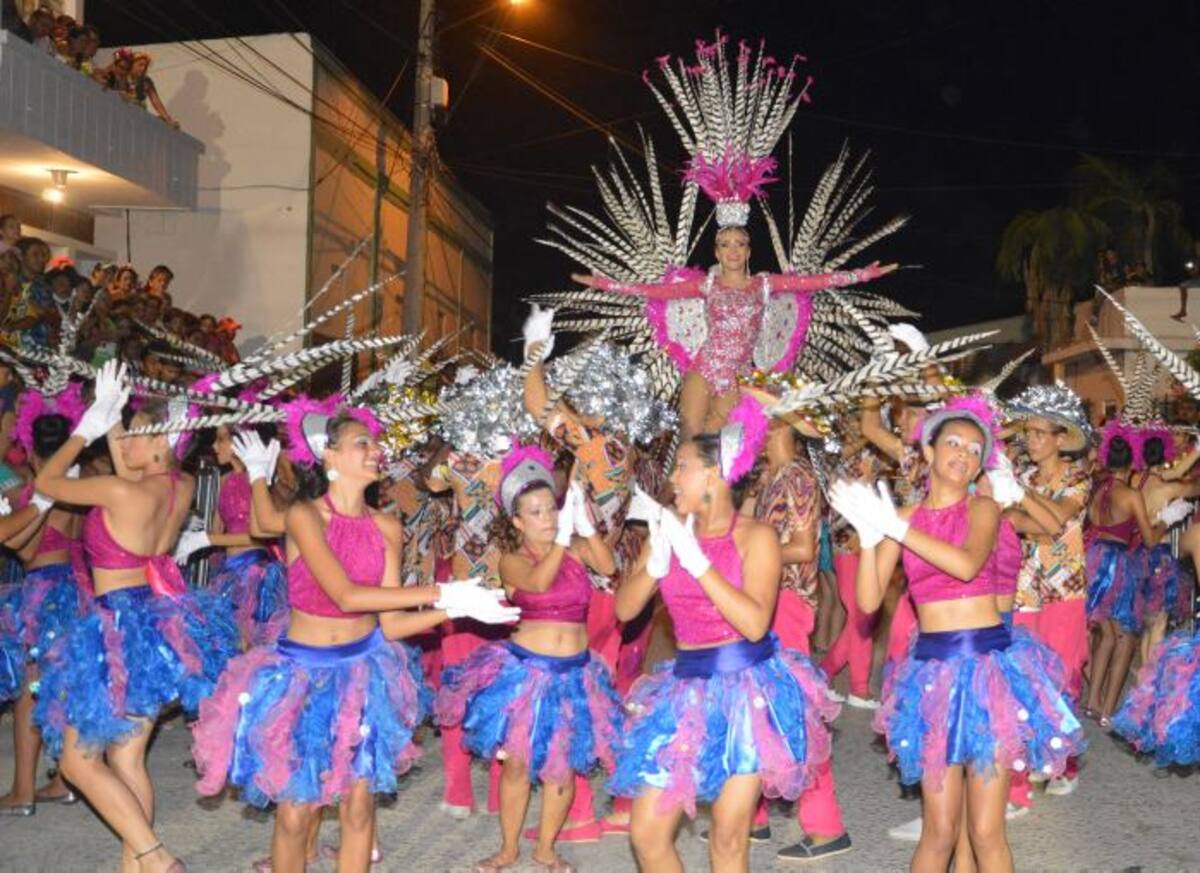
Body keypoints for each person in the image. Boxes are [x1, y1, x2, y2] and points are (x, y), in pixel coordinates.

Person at [191, 400, 517, 872]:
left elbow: (392, 622)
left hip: (365, 672)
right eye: (362, 443)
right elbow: (344, 595)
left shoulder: (387, 526)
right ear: (330, 455)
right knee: (296, 815)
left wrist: (454, 607)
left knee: (359, 809)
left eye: (375, 444)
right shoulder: (304, 516)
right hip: (303, 674)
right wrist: (441, 591)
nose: (375, 451)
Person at [831, 395, 1085, 873]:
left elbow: (967, 565)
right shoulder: (904, 519)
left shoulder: (982, 510)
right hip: (932, 673)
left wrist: (895, 528)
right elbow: (867, 601)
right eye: (953, 443)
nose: (964, 454)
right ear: (928, 451)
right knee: (939, 831)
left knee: (986, 831)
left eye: (973, 449)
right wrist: (870, 540)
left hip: (987, 668)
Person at [609, 403, 838, 873]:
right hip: (684, 687)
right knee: (646, 834)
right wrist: (655, 565)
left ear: (714, 474)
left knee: (730, 837)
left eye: (682, 467)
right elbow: (625, 610)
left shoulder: (757, 537)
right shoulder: (667, 532)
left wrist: (698, 565)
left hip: (747, 692)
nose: (673, 479)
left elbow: (754, 624)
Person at [32, 362, 238, 873]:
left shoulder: (118, 491)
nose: (123, 445)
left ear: (163, 442)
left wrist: (86, 429)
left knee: (78, 762)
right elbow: (134, 476)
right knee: (127, 760)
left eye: (136, 436)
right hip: (156, 624)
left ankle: (157, 857)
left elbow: (46, 480)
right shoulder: (178, 486)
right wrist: (116, 421)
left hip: (114, 632)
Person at [436, 446, 622, 873]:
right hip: (528, 673)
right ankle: (507, 850)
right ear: (517, 521)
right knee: (517, 766)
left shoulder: (573, 548)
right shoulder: (513, 560)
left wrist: (584, 526)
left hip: (574, 672)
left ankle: (546, 851)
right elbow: (537, 584)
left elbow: (608, 565)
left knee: (562, 767)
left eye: (551, 508)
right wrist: (562, 541)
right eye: (536, 512)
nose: (548, 518)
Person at [572, 238, 896, 439]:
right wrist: (604, 284)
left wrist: (863, 274)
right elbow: (651, 291)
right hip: (702, 370)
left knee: (713, 443)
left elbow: (813, 282)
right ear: (716, 251)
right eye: (725, 245)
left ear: (749, 250)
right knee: (688, 440)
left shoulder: (764, 285)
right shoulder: (706, 285)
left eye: (740, 244)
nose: (733, 251)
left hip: (735, 378)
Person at [741, 412, 852, 862]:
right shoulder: (772, 477)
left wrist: (746, 554)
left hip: (787, 603)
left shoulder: (798, 478)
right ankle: (753, 816)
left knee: (794, 713)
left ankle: (826, 826)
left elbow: (804, 548)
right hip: (768, 598)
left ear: (778, 425)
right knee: (757, 707)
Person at [1003, 384, 1094, 800]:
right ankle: (1024, 771)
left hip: (1064, 590)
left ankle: (1064, 763)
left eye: (1041, 433)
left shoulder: (1078, 477)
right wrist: (1030, 515)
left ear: (1061, 438)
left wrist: (1024, 500)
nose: (1032, 439)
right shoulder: (1021, 474)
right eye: (1029, 432)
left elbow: (1055, 521)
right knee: (1025, 677)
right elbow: (1016, 522)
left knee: (1064, 677)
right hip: (1024, 588)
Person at [0, 392, 87, 816]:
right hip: (75, 589)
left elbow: (28, 548)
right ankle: (64, 781)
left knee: (29, 692)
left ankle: (22, 791)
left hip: (43, 595)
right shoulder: (77, 488)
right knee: (62, 686)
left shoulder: (38, 491)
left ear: (33, 454)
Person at [175, 424, 289, 648]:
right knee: (222, 639)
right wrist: (186, 528)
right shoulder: (225, 479)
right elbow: (217, 530)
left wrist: (206, 540)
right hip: (226, 570)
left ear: (240, 441)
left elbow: (261, 537)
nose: (214, 446)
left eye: (221, 439)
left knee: (249, 640)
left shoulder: (260, 480)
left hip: (253, 571)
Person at [1083, 421, 1161, 726]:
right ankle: (1108, 711)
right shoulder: (1130, 494)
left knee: (1105, 635)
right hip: (1118, 564)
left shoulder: (1098, 490)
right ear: (1132, 462)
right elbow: (1150, 539)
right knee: (1126, 636)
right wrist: (1165, 521)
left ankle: (1092, 702)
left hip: (1094, 559)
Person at [125, 54, 180, 128]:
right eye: (140, 65)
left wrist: (168, 118)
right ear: (131, 65)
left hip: (139, 113)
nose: (143, 68)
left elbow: (155, 100)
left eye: (145, 66)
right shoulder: (123, 75)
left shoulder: (146, 81)